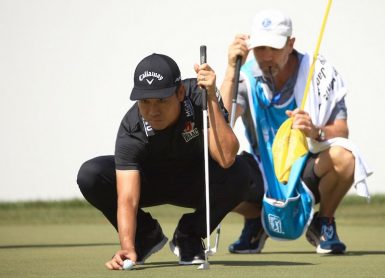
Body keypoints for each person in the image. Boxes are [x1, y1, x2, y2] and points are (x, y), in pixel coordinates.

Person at [77, 53, 260, 269]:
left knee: (241, 170)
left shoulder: (199, 94)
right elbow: (127, 198)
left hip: (195, 182)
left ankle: (189, 234)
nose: (153, 111)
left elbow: (226, 157)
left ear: (180, 92)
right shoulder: (132, 128)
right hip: (150, 183)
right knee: (90, 174)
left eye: (162, 100)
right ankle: (145, 236)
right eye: (145, 101)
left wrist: (211, 96)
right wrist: (126, 245)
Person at [220, 9, 364, 255]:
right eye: (260, 48)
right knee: (216, 169)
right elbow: (223, 124)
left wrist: (315, 130)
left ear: (291, 44)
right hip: (263, 170)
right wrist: (231, 70)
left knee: (345, 157)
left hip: (306, 169)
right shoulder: (244, 77)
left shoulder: (319, 74)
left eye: (274, 48)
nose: (266, 57)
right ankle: (256, 222)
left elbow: (342, 130)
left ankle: (324, 222)